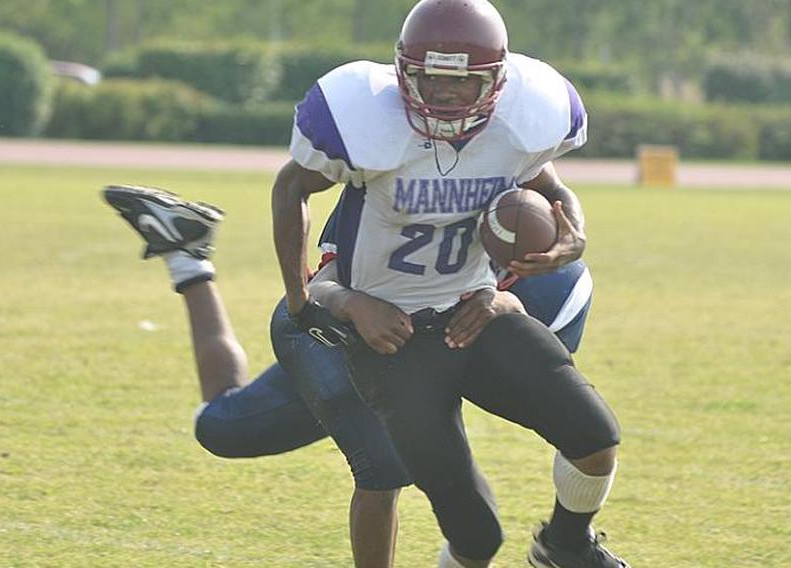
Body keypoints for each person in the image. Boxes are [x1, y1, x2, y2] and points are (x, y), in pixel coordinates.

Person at [272, 1, 630, 567]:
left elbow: (554, 188)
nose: (443, 94)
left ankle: (564, 545)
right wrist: (315, 300)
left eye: (461, 81)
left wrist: (573, 235)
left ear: (496, 80)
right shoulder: (369, 128)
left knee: (596, 438)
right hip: (395, 343)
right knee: (476, 534)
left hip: (478, 314)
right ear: (403, 73)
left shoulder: (517, 126)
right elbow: (291, 187)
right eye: (430, 78)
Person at [102, 182, 595, 568]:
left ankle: (569, 541)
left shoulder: (549, 280)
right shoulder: (386, 177)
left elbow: (568, 423)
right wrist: (356, 305)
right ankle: (188, 257)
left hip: (448, 335)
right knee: (244, 432)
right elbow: (321, 283)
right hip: (349, 330)